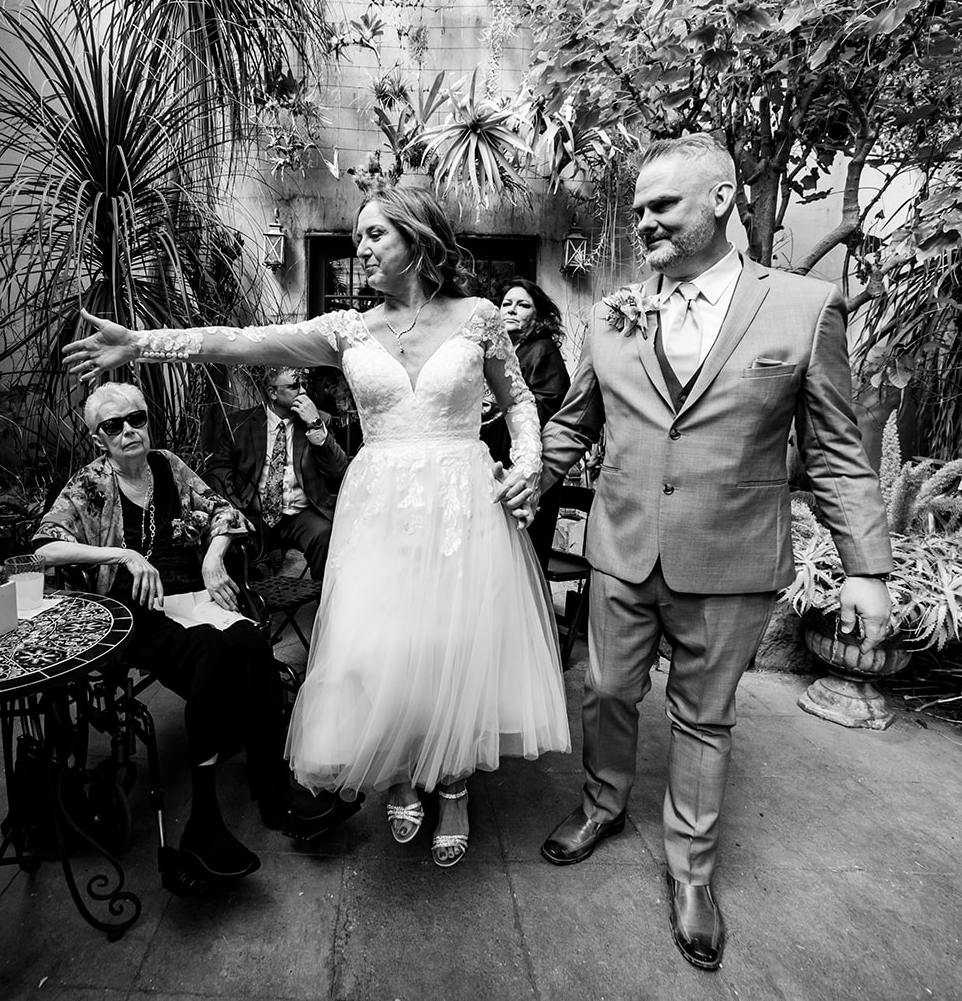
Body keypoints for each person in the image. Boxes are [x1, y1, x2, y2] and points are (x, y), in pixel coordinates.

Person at [63, 184, 569, 869]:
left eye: (372, 235)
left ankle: (451, 783)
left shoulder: (480, 317)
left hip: (463, 506)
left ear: (417, 237)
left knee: (454, 640)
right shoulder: (347, 330)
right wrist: (143, 345)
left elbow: (519, 407)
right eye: (357, 236)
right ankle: (400, 771)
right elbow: (238, 343)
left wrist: (529, 467)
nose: (359, 248)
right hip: (380, 508)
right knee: (388, 644)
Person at [507, 134, 894, 971]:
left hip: (731, 561)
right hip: (620, 549)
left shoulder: (802, 306)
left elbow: (833, 449)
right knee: (605, 688)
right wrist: (529, 479)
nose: (642, 221)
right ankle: (603, 805)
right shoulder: (611, 311)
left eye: (661, 206)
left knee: (703, 719)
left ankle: (691, 873)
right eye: (639, 208)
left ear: (721, 201)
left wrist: (866, 569)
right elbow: (578, 421)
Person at [30, 383, 358, 897]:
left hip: (191, 592)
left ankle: (277, 797)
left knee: (250, 640)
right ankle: (203, 820)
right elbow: (43, 547)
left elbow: (225, 512)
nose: (128, 432)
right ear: (98, 439)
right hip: (134, 609)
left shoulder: (167, 465)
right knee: (211, 653)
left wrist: (212, 556)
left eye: (135, 419)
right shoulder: (91, 484)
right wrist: (123, 557)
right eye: (113, 427)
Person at [203, 366, 350, 580]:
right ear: (273, 393)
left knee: (325, 536)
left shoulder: (319, 420)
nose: (303, 392)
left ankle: (322, 605)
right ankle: (245, 606)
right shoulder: (239, 424)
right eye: (293, 387)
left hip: (301, 515)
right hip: (254, 514)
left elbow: (339, 470)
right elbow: (218, 471)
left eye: (303, 385)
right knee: (231, 543)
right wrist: (236, 507)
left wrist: (315, 424)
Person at [479, 278, 571, 566]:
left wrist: (496, 407)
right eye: (507, 304)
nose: (512, 310)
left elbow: (544, 409)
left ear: (539, 316)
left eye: (522, 305)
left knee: (520, 559)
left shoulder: (541, 350)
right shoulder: (503, 353)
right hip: (497, 462)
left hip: (526, 466)